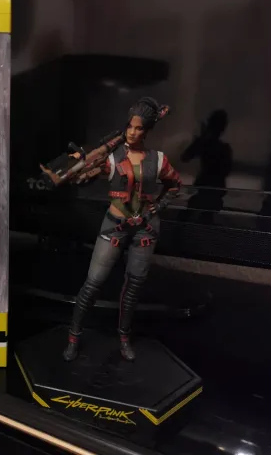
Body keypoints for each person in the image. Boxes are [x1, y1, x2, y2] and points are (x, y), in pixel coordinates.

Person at [63, 97, 182, 362]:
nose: (132, 132)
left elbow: (175, 184)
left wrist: (158, 206)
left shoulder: (158, 159)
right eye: (130, 126)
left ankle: (124, 337)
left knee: (134, 286)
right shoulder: (112, 157)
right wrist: (79, 168)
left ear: (146, 130)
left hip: (145, 228)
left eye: (139, 128)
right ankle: (73, 336)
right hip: (114, 226)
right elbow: (82, 176)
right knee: (93, 283)